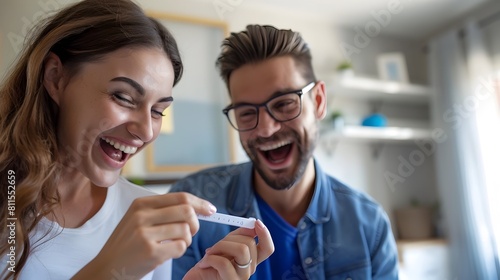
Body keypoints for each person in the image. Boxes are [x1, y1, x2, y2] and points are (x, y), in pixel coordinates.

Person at [0, 1, 274, 279]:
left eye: (158, 111)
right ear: (55, 78)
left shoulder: (147, 215)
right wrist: (109, 270)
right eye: (124, 97)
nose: (145, 131)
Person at [170, 24, 399, 279]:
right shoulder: (192, 209)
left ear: (319, 102)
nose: (266, 129)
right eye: (246, 112)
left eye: (284, 104)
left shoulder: (370, 225)